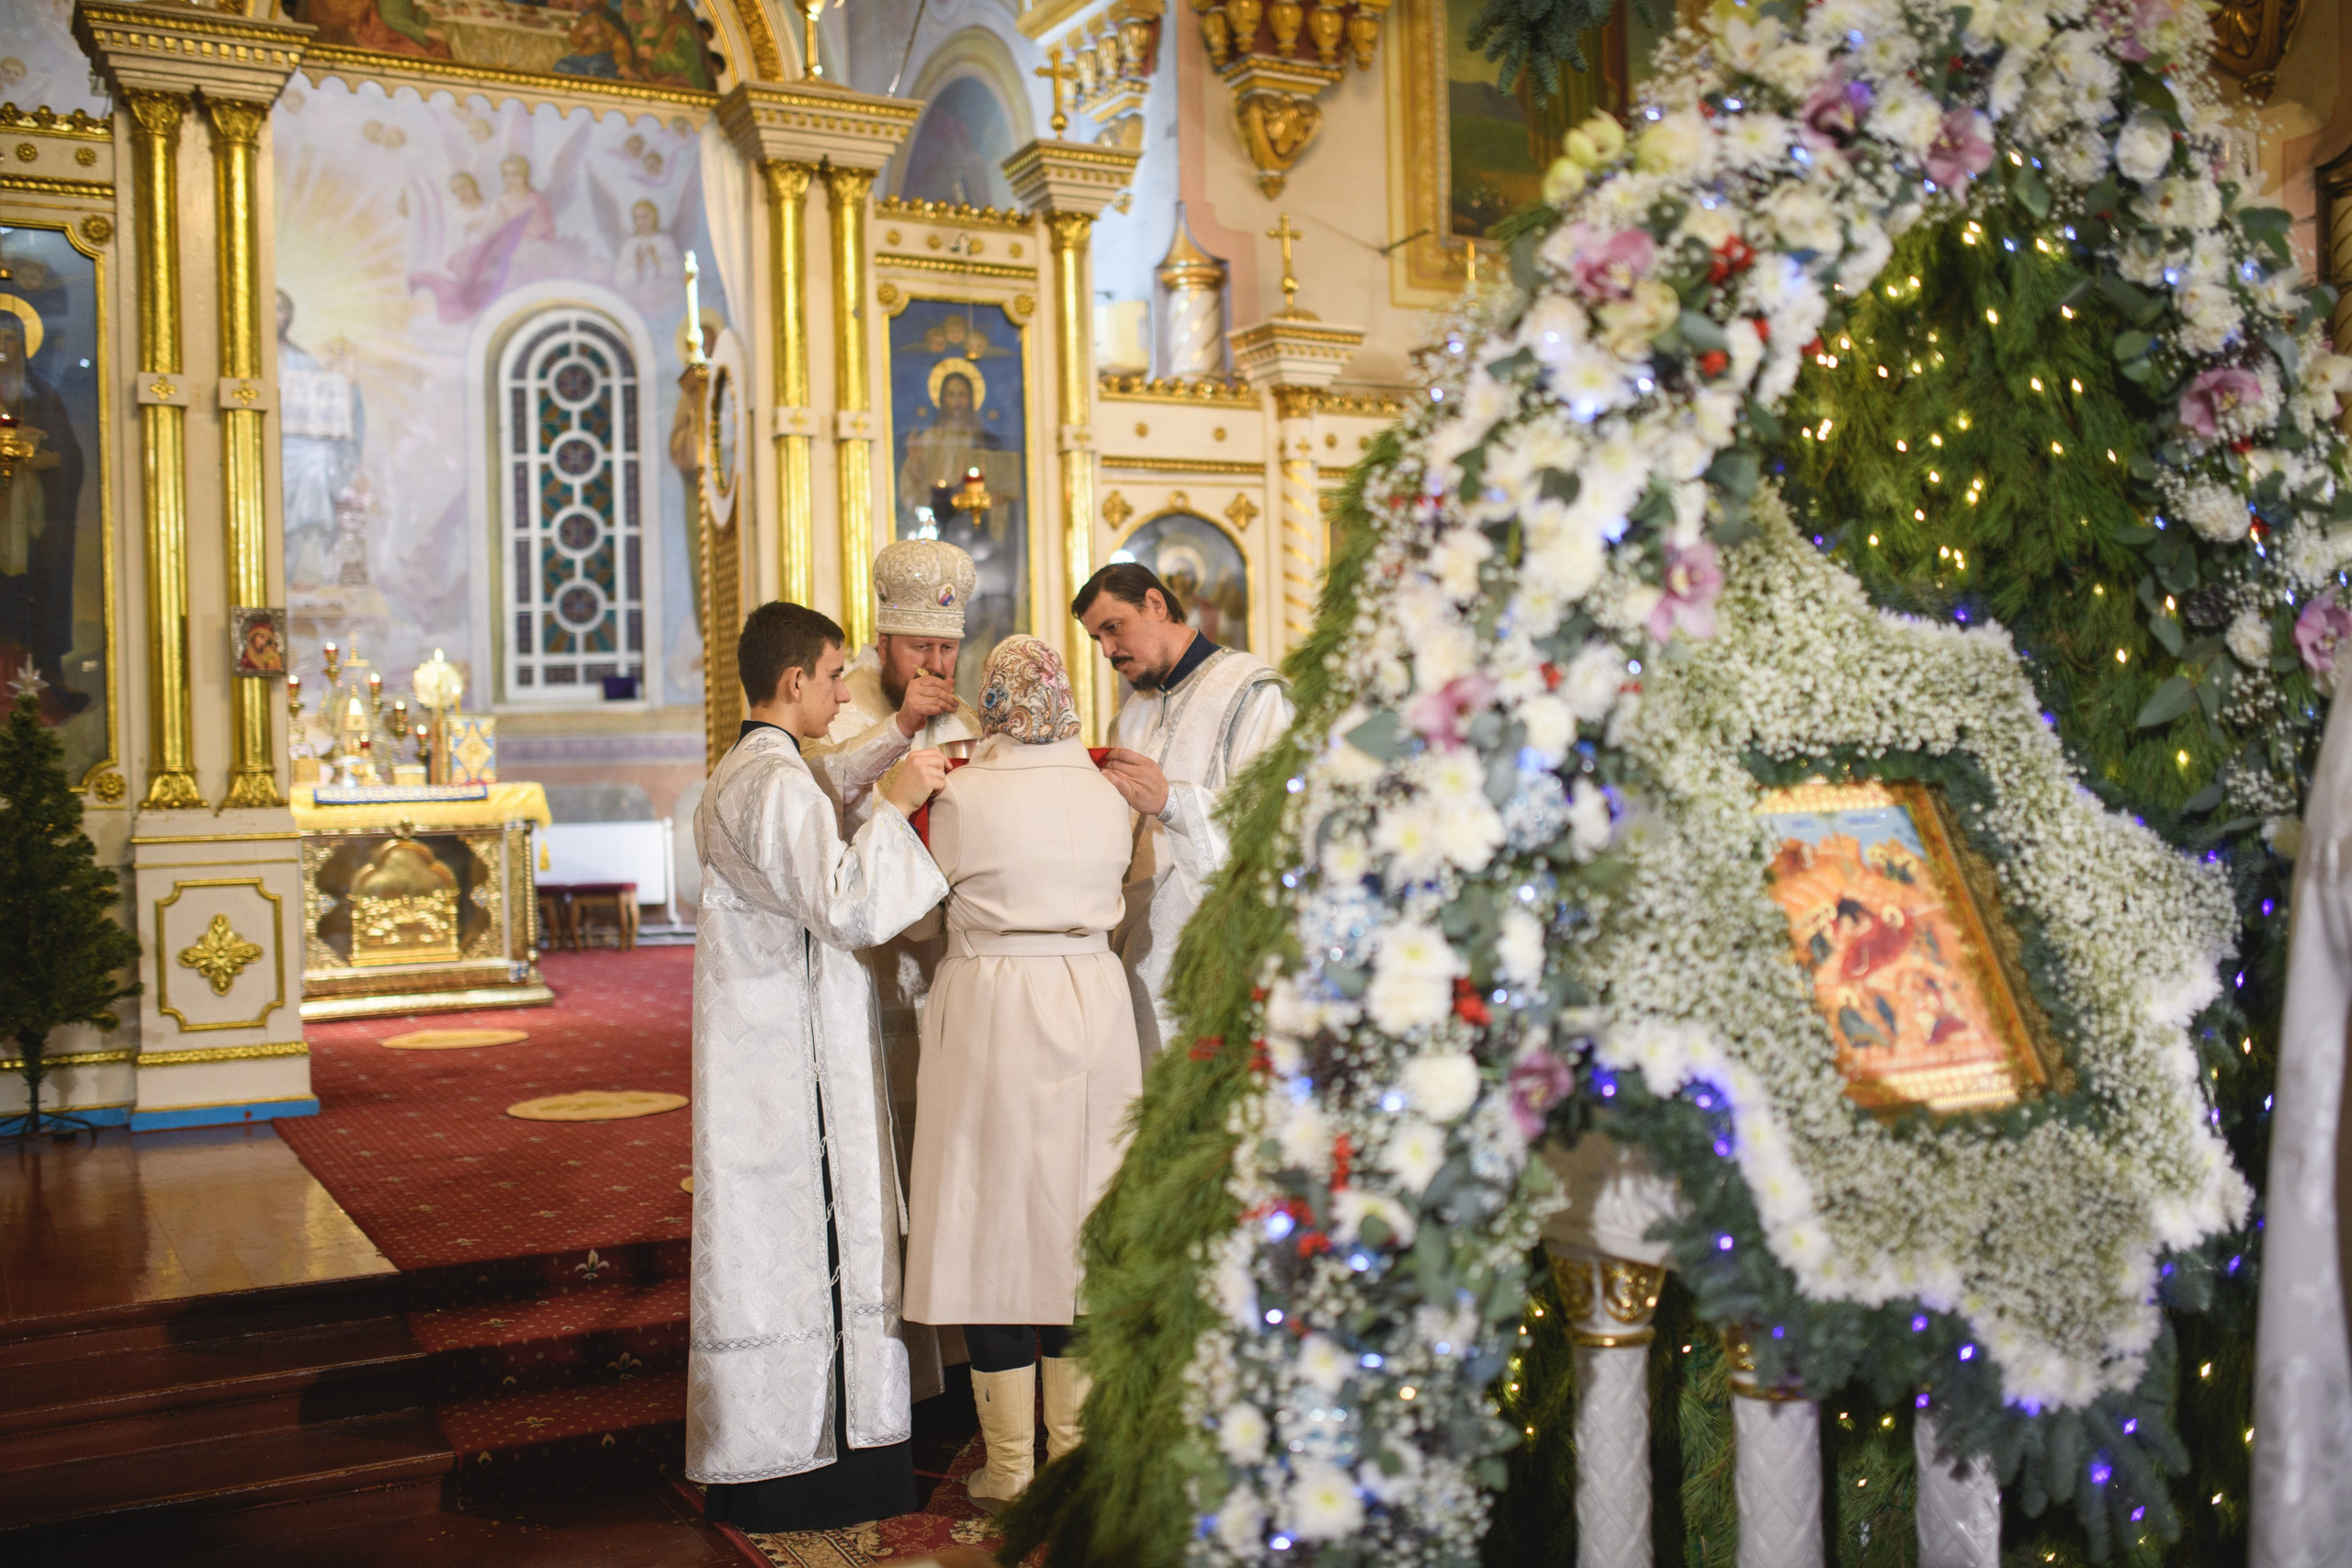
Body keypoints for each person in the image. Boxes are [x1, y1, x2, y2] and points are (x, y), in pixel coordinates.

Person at [686, 601, 950, 1532]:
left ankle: (767, 1456)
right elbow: (846, 905)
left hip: (757, 1056)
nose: (843, 695)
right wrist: (900, 807)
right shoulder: (778, 785)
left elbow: (822, 787)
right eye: (835, 677)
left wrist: (894, 740)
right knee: (816, 1248)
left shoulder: (744, 770)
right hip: (796, 1071)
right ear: (794, 679)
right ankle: (827, 1468)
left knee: (776, 1254)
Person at [900, 635, 1140, 1512]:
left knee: (992, 1224)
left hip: (995, 1005)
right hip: (1094, 1002)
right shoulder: (1108, 793)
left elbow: (918, 920)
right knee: (1079, 1221)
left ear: (995, 702)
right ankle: (1072, 1455)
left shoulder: (964, 795)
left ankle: (1009, 1467)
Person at [805, 537, 983, 1401]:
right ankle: (891, 1370)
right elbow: (823, 816)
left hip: (946, 964)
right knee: (883, 1156)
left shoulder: (967, 716)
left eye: (948, 648)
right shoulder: (839, 712)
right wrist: (902, 733)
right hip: (870, 972)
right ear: (883, 642)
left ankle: (958, 1353)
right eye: (921, 647)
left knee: (949, 1153)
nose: (937, 665)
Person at [1077, 563, 1294, 1057]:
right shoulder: (1132, 715)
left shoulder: (1254, 693)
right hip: (1132, 948)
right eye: (1097, 639)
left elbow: (1272, 825)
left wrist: (1173, 802)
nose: (1108, 650)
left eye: (1113, 628)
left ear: (1156, 604)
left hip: (1209, 951)